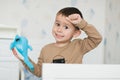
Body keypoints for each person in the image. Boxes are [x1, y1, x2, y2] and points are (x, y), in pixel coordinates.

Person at [12, 7, 102, 77]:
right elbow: (39, 72)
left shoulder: (79, 46)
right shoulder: (46, 49)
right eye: (57, 24)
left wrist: (82, 23)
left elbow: (96, 38)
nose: (59, 30)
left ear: (76, 33)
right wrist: (24, 59)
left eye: (66, 27)